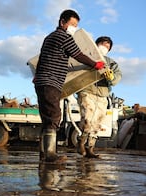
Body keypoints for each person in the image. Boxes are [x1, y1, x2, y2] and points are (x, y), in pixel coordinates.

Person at [33, 9, 106, 164]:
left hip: (42, 82)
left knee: (46, 119)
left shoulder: (49, 38)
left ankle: (43, 154)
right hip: (51, 82)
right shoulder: (63, 37)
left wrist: (37, 75)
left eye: (76, 25)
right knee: (54, 117)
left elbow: (41, 59)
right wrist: (95, 64)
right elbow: (78, 55)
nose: (73, 28)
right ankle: (51, 155)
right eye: (72, 24)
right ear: (62, 22)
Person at [77, 36, 122, 158]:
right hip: (87, 90)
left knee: (97, 122)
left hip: (102, 94)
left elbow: (117, 76)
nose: (104, 47)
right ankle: (81, 142)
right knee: (88, 117)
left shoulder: (111, 63)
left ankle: (90, 148)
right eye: (102, 44)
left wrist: (111, 77)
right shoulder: (85, 57)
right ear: (96, 44)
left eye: (107, 46)